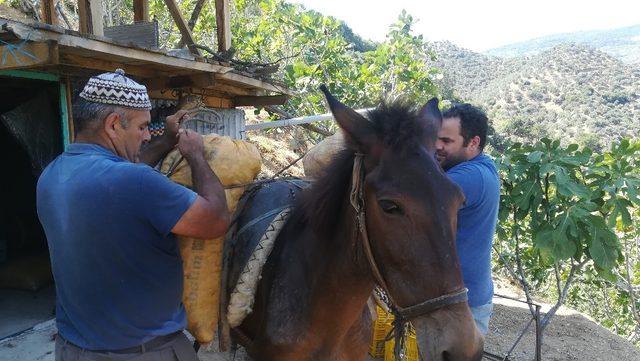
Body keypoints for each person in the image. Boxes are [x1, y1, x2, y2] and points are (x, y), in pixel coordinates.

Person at [36, 69, 230, 360]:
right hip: (142, 352)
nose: (144, 136)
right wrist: (197, 156)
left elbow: (124, 173)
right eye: (141, 127)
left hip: (73, 349)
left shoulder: (51, 175)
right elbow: (215, 220)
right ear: (113, 124)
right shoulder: (137, 183)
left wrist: (166, 141)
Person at [435, 103, 500, 335]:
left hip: (463, 305)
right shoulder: (483, 165)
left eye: (446, 141)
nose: (437, 146)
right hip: (462, 297)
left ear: (473, 143)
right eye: (435, 138)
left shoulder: (470, 177)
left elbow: (412, 191)